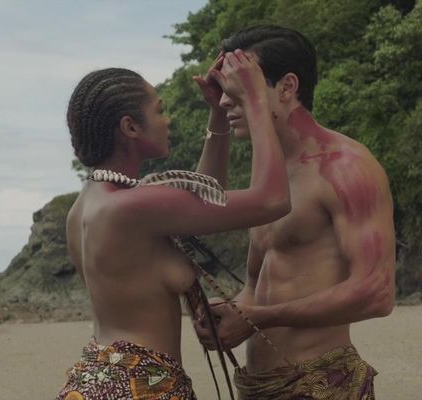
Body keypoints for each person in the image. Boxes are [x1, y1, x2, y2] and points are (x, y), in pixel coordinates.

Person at [56, 50, 290, 400]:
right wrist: (255, 101)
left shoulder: (87, 208)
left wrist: (218, 113)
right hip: (138, 388)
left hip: (99, 380)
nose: (168, 120)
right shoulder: (133, 206)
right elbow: (273, 200)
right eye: (159, 110)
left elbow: (206, 196)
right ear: (130, 127)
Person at [194, 25, 396, 399]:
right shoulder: (270, 177)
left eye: (241, 88)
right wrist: (232, 314)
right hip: (259, 386)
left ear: (287, 87)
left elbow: (377, 291)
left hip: (322, 382)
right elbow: (256, 285)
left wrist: (259, 318)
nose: (225, 101)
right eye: (225, 90)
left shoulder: (345, 166)